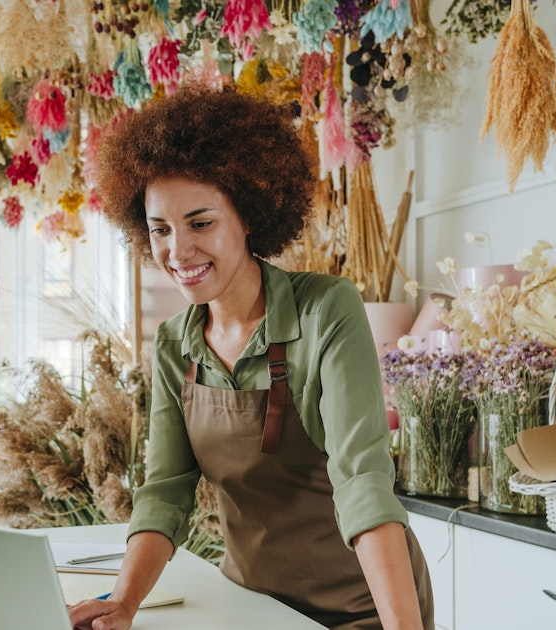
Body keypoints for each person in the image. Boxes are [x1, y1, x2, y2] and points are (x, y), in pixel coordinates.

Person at [67, 85, 433, 630]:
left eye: (201, 222)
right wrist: (123, 602)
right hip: (249, 606)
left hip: (363, 609)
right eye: (160, 229)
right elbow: (166, 493)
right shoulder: (174, 345)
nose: (178, 251)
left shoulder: (325, 310)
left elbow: (362, 481)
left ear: (249, 214)